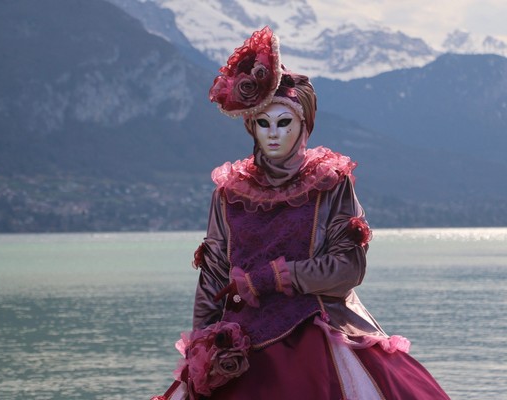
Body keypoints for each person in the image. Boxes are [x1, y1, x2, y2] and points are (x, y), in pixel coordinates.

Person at [153, 26, 450, 400]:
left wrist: (278, 277)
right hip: (239, 349)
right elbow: (213, 278)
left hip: (321, 330)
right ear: (251, 127)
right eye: (263, 123)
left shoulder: (330, 183)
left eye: (284, 123)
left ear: (304, 125)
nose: (273, 134)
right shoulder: (229, 193)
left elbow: (349, 269)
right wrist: (202, 346)